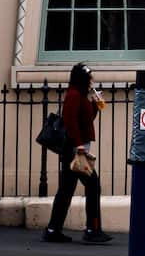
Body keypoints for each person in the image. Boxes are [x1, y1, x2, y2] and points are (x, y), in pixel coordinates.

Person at [43, 62, 112, 244]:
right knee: (93, 185)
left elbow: (86, 121)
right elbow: (70, 121)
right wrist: (79, 146)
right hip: (75, 151)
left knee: (66, 190)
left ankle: (53, 229)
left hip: (77, 149)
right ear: (83, 78)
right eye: (90, 77)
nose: (92, 80)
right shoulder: (74, 95)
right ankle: (92, 229)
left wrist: (96, 105)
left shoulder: (81, 95)